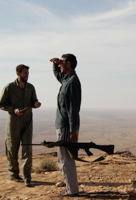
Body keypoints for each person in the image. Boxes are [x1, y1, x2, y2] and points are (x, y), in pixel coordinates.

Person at [0, 64, 41, 187]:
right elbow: (1, 104)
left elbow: (33, 101)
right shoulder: (9, 88)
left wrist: (36, 103)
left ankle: (27, 177)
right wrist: (13, 109)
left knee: (27, 148)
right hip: (14, 122)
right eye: (24, 73)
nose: (26, 75)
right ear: (18, 74)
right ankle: (14, 174)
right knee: (12, 148)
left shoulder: (31, 87)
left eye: (27, 73)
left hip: (27, 121)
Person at [50, 54, 81, 196]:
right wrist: (55, 64)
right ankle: (71, 189)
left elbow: (72, 109)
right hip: (63, 125)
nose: (59, 65)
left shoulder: (72, 82)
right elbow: (58, 75)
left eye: (62, 62)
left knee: (65, 160)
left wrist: (73, 130)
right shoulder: (67, 79)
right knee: (63, 159)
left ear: (68, 64)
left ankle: (72, 191)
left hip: (66, 127)